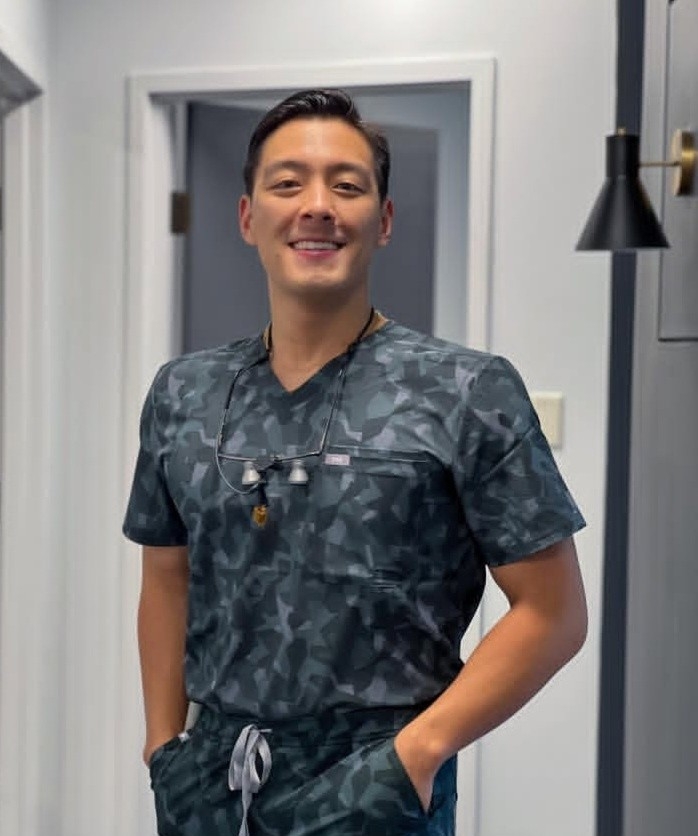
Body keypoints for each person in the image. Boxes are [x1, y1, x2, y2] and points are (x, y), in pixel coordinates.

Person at [123, 89, 587, 836]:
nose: (317, 207)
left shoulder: (466, 390)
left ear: (384, 219)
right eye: (287, 184)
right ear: (248, 217)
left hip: (376, 786)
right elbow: (166, 577)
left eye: (346, 186)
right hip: (209, 784)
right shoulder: (184, 392)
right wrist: (161, 746)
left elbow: (554, 613)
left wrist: (416, 755)